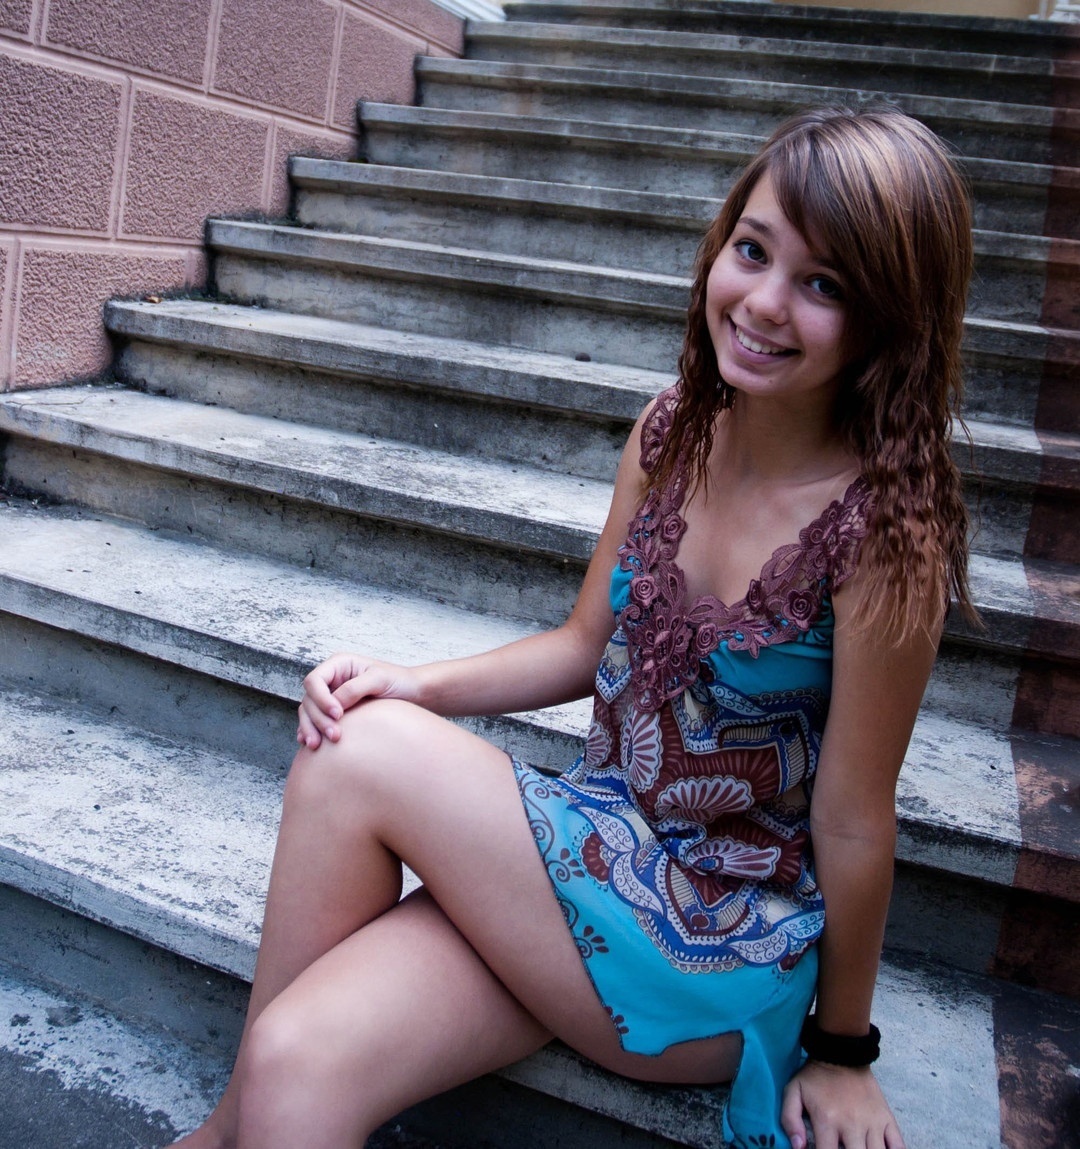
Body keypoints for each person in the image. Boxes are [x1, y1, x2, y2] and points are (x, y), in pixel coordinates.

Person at [175, 105, 976, 1149]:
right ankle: (241, 1122)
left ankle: (215, 1136)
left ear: (890, 320)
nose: (765, 304)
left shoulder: (884, 532)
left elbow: (858, 822)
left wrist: (842, 1052)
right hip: (601, 851)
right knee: (297, 1063)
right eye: (753, 250)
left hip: (723, 933)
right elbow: (575, 645)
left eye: (824, 285)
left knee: (353, 754)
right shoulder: (671, 430)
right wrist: (414, 681)